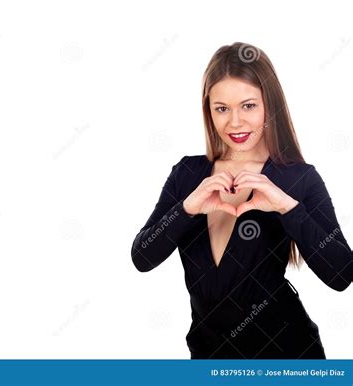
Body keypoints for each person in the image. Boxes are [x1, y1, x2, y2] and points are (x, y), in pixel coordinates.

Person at [130, 42, 352, 359]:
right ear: (208, 110)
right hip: (209, 357)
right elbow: (142, 257)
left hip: (286, 357)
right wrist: (187, 209)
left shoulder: (298, 177)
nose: (234, 122)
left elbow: (342, 274)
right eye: (222, 108)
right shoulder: (187, 174)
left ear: (268, 106)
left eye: (248, 106)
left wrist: (286, 207)